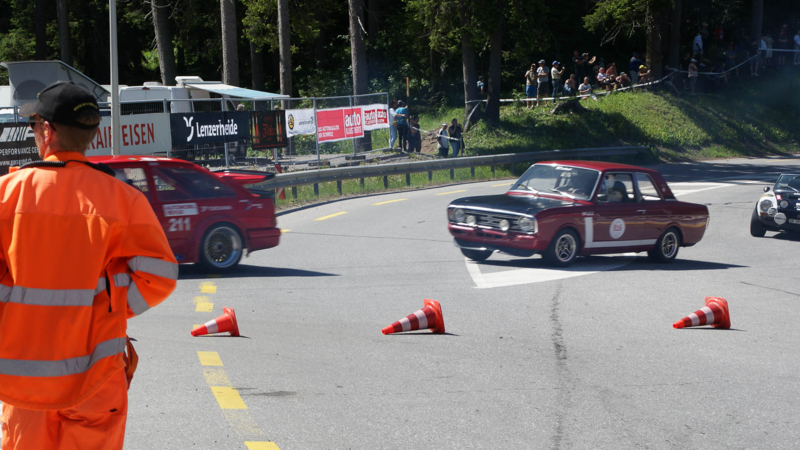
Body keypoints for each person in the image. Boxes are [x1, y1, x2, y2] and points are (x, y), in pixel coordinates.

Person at [0, 81, 177, 449]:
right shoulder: (124, 199)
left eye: (34, 126)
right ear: (91, 135)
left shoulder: (6, 194)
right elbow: (160, 275)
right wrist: (112, 304)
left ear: (46, 131)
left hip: (22, 386)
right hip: (97, 379)